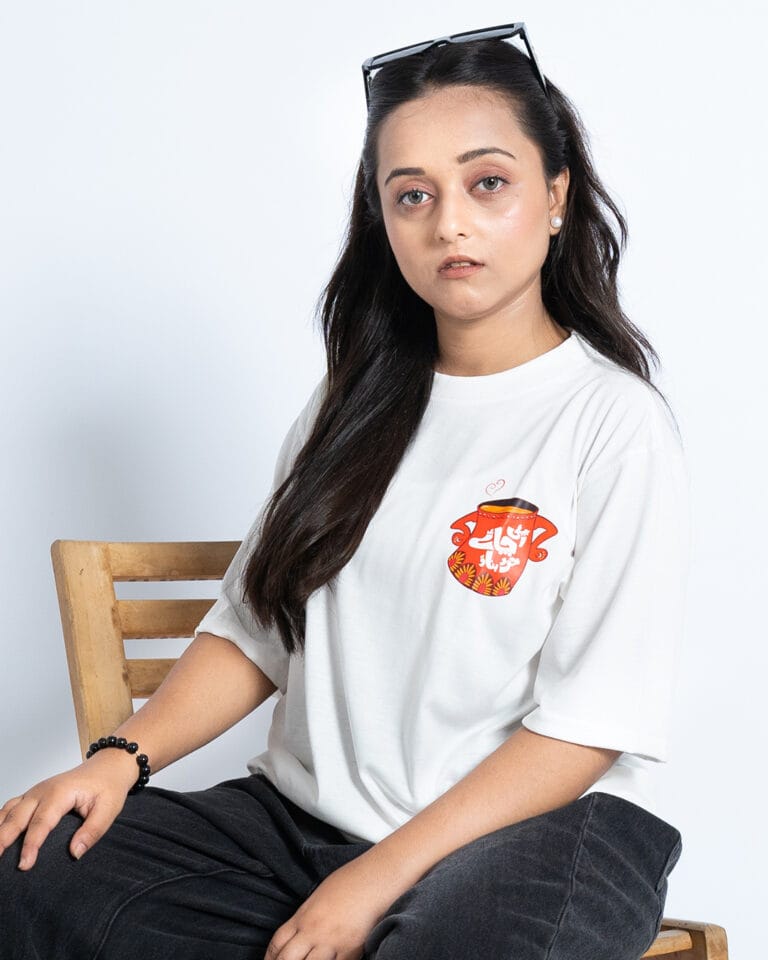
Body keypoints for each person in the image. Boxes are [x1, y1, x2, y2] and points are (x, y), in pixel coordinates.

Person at [0, 23, 690, 960]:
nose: (449, 223)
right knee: (29, 871)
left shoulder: (612, 423)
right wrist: (121, 760)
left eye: (488, 183)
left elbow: (586, 729)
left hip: (537, 836)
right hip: (297, 827)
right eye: (413, 195)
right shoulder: (350, 403)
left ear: (557, 195)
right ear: (385, 220)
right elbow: (257, 628)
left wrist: (375, 880)